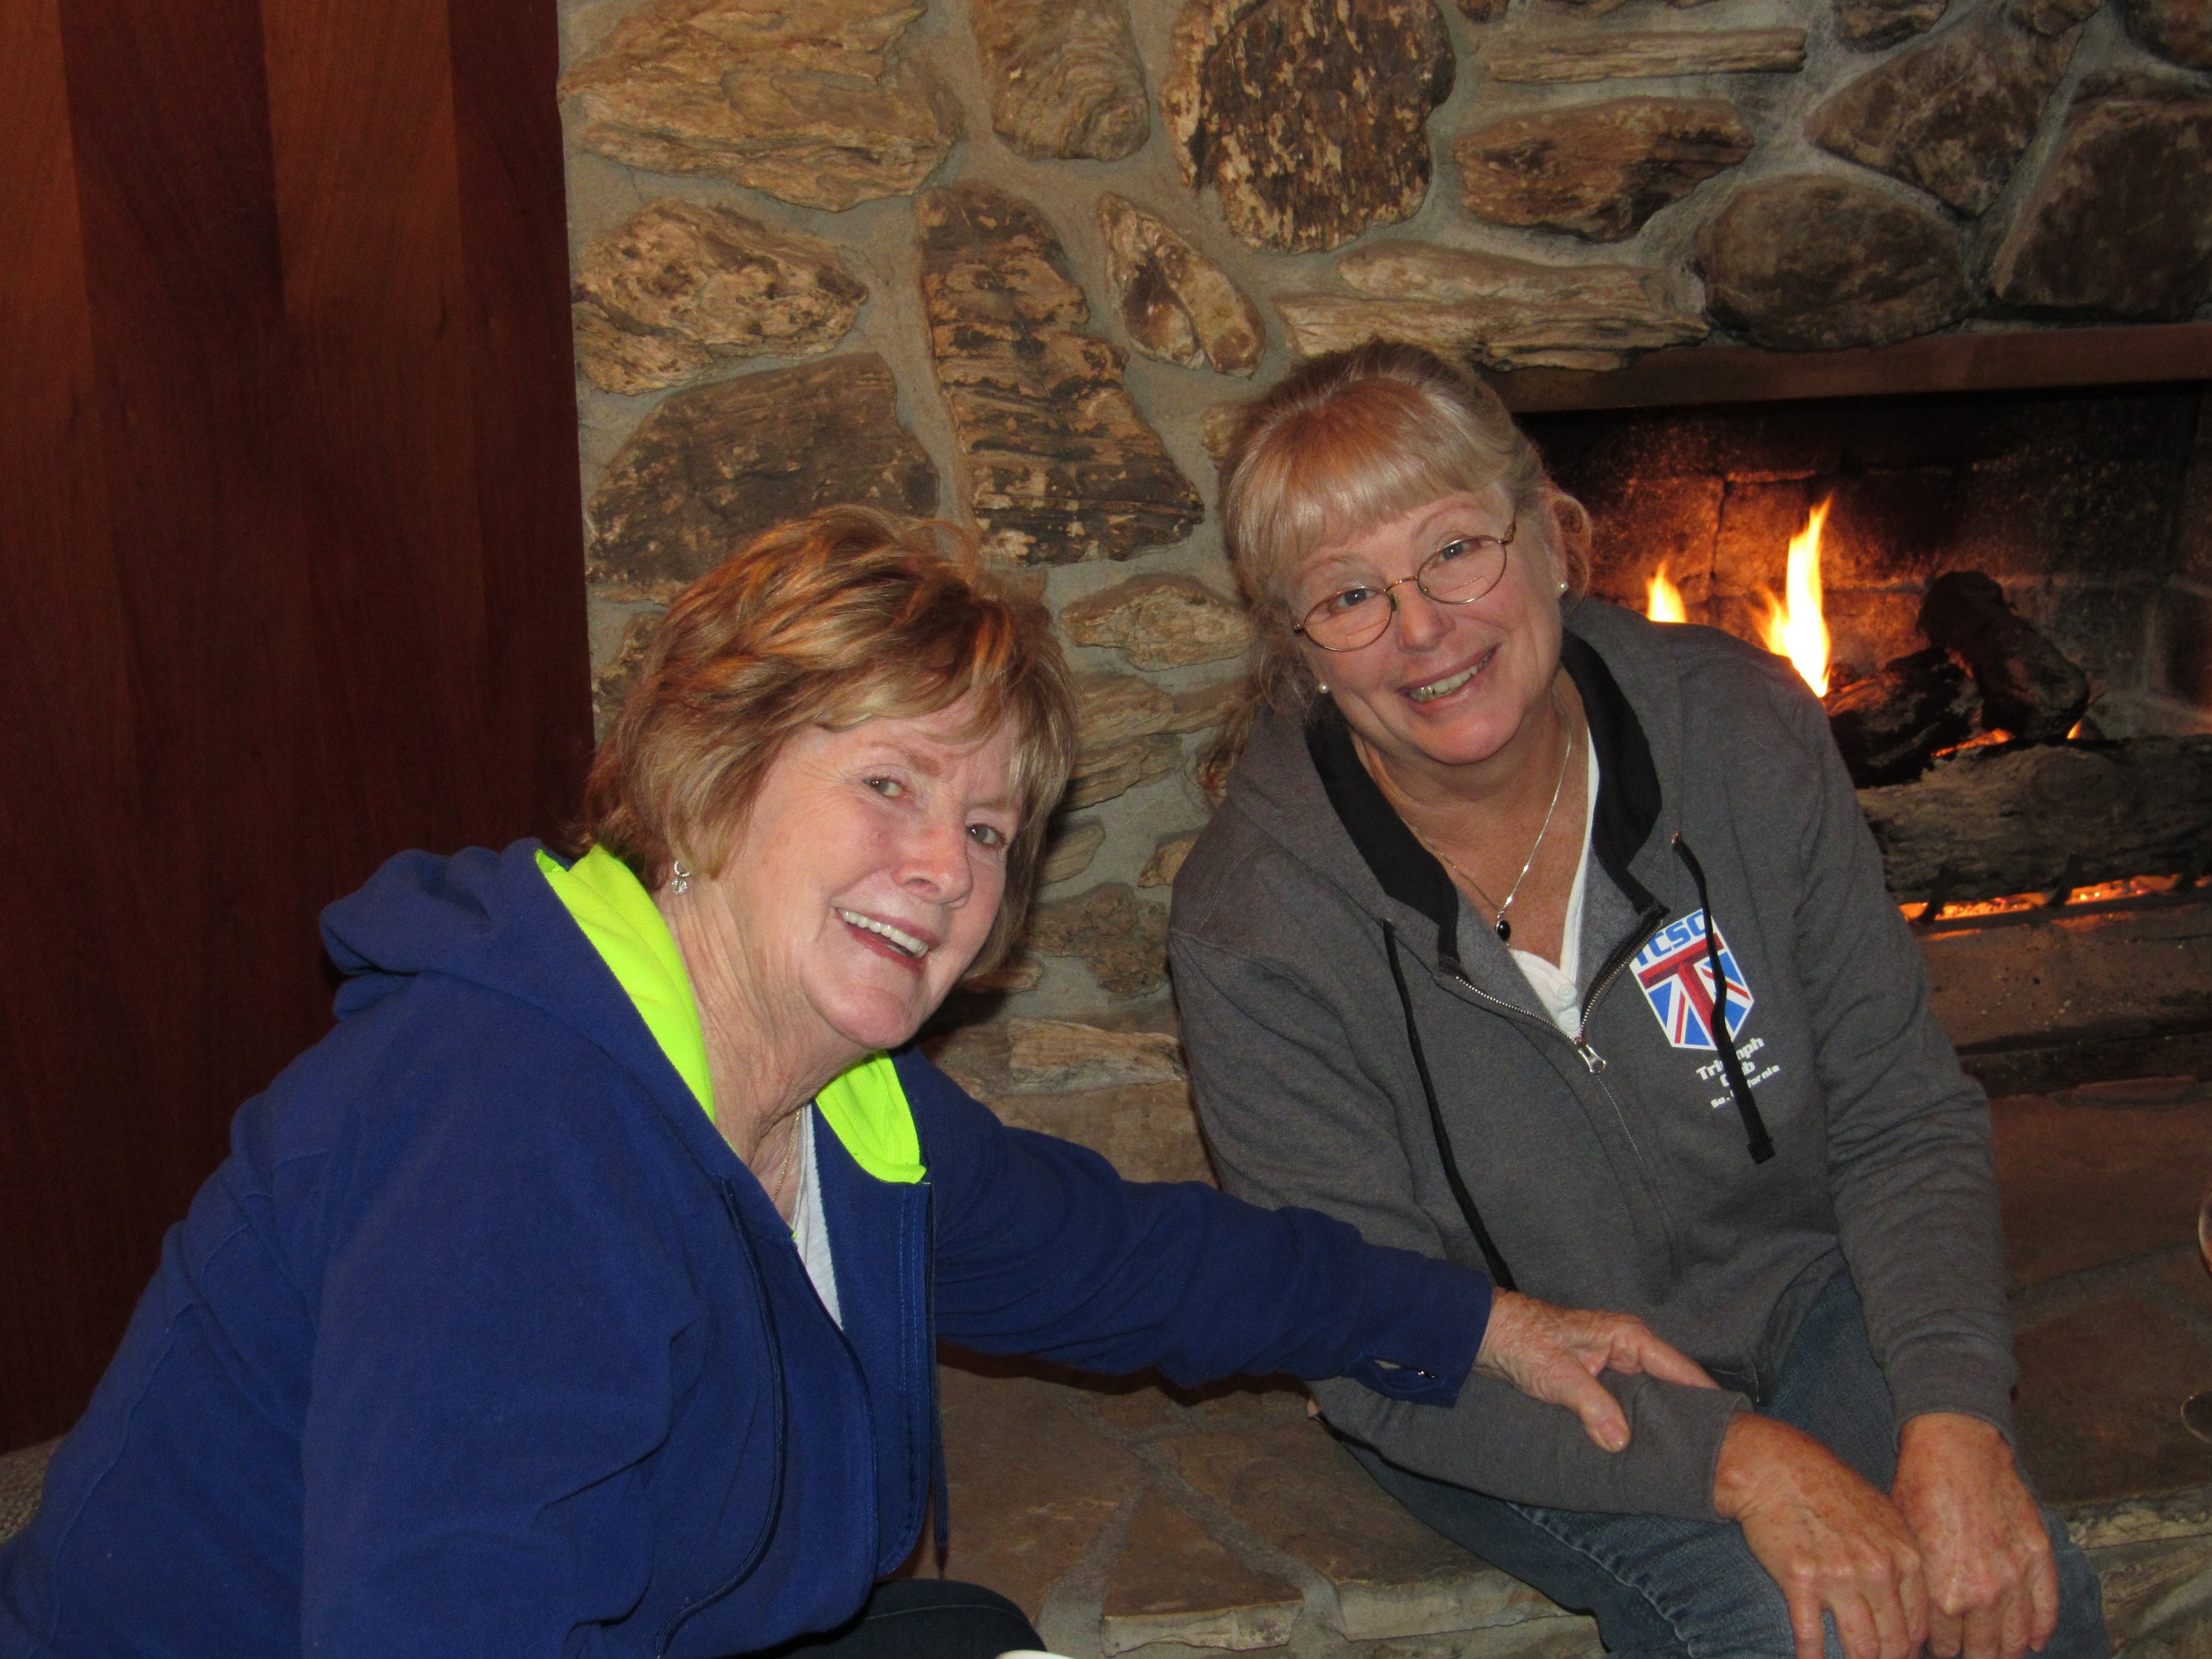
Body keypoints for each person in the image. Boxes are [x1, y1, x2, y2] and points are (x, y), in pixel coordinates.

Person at [0, 506, 1708, 1659]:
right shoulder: (512, 1122)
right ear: (714, 775)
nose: (947, 866)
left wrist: (1478, 1323)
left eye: (989, 826)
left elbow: (1135, 1261)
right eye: (890, 783)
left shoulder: (829, 1105)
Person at [1169, 343, 2109, 1659]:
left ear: (1552, 537)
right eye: (1349, 595)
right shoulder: (1256, 920)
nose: (1422, 628)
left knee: (2015, 1599)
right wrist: (1739, 1459)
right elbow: (1361, 1325)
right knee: (1788, 1630)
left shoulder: (1736, 725)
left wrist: (1955, 1418)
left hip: (1806, 1293)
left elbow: (1899, 1113)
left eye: (1456, 551)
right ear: (1300, 648)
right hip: (1499, 1381)